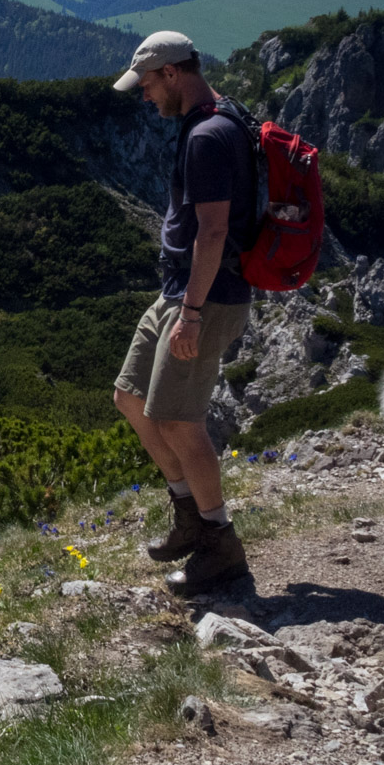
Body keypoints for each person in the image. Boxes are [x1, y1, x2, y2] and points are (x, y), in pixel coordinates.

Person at [110, 31, 258, 597]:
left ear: (172, 73)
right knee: (129, 395)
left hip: (206, 297)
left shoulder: (209, 136)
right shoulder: (219, 118)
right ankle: (188, 515)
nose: (145, 97)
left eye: (147, 86)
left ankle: (221, 545)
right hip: (179, 292)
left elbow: (215, 230)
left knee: (177, 418)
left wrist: (192, 314)